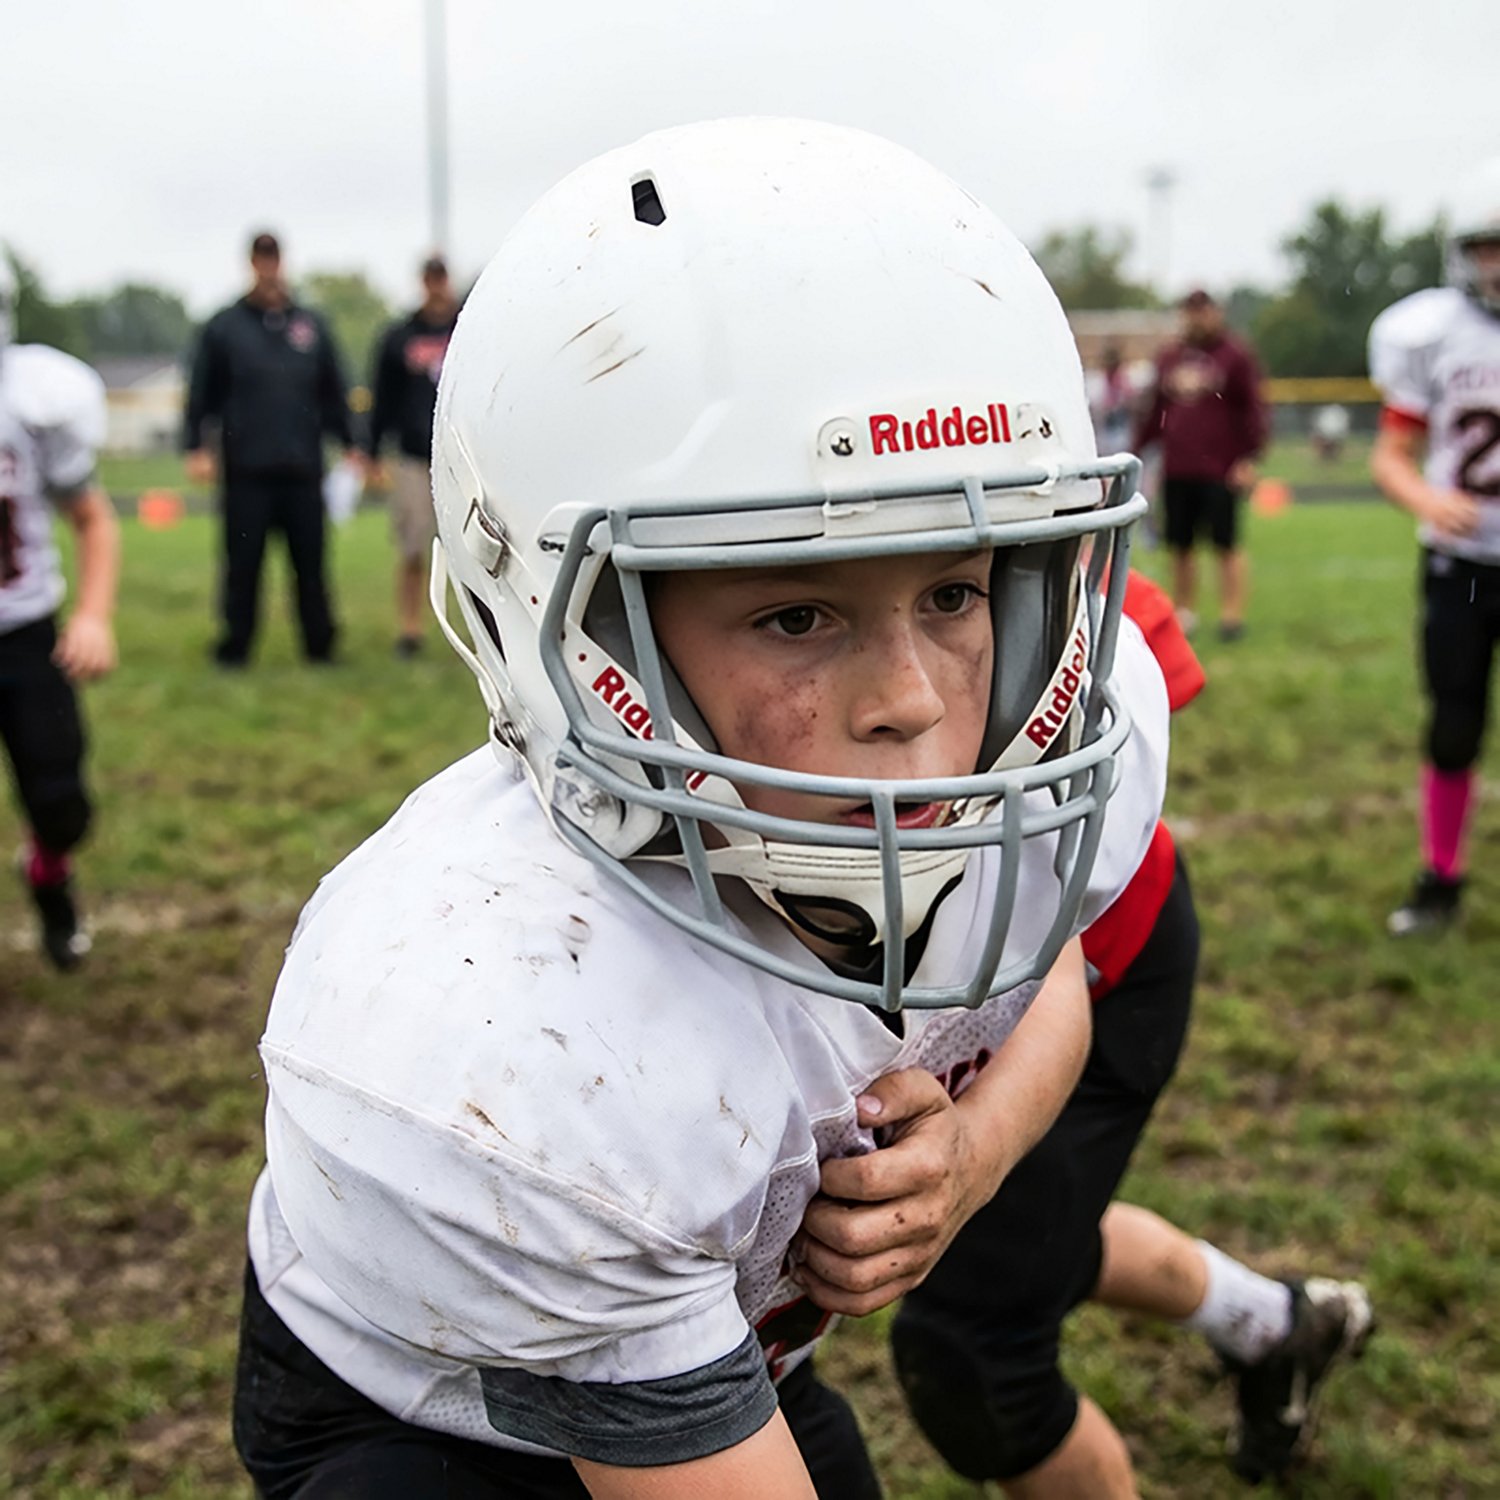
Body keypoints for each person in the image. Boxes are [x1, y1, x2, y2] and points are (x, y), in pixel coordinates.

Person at [231, 119, 1174, 1498]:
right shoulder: (503, 1029)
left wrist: (970, 1153)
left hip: (731, 1348)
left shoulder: (1035, 747)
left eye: (957, 592)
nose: (910, 701)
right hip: (432, 1415)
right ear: (577, 627)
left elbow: (1049, 974)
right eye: (797, 612)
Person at [797, 572, 1372, 1494]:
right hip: (928, 982)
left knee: (979, 1353)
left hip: (1093, 967)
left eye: (950, 600)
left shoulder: (1017, 546)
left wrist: (980, 1150)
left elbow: (1136, 640)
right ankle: (1275, 1325)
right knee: (1032, 1236)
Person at [1369, 157, 1500, 935]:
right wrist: (1424, 496)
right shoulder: (1435, 334)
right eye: (1488, 246)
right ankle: (1441, 874)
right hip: (1463, 564)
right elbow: (1390, 453)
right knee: (1453, 722)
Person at [0, 258, 120, 969]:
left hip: (24, 630)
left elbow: (93, 518)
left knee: (62, 803)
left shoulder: (28, 400)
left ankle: (48, 871)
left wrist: (94, 614)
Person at [183, 232, 354, 667]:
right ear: (251, 263)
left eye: (273, 257)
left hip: (302, 467)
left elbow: (334, 392)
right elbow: (201, 393)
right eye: (261, 258)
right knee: (242, 566)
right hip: (246, 471)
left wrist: (353, 444)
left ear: (282, 261)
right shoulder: (225, 327)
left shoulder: (310, 326)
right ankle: (235, 646)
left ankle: (320, 646)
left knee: (311, 565)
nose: (268, 266)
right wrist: (195, 447)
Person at [1133, 289, 1267, 641]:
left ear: (1215, 313)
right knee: (1180, 545)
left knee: (1225, 544)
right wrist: (1135, 450)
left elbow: (1254, 409)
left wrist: (1249, 458)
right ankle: (1184, 613)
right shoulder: (1170, 357)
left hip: (1220, 468)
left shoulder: (1234, 355)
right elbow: (1154, 412)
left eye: (1203, 310)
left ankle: (1231, 617)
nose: (1196, 317)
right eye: (1190, 311)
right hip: (1178, 468)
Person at [362, 253, 461, 656]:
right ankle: (410, 628)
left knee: (474, 552)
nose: (436, 286)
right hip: (413, 457)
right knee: (412, 548)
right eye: (430, 278)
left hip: (460, 458)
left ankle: (486, 632)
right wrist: (370, 451)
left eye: (441, 277)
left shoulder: (468, 328)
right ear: (423, 282)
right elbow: (382, 398)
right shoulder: (400, 336)